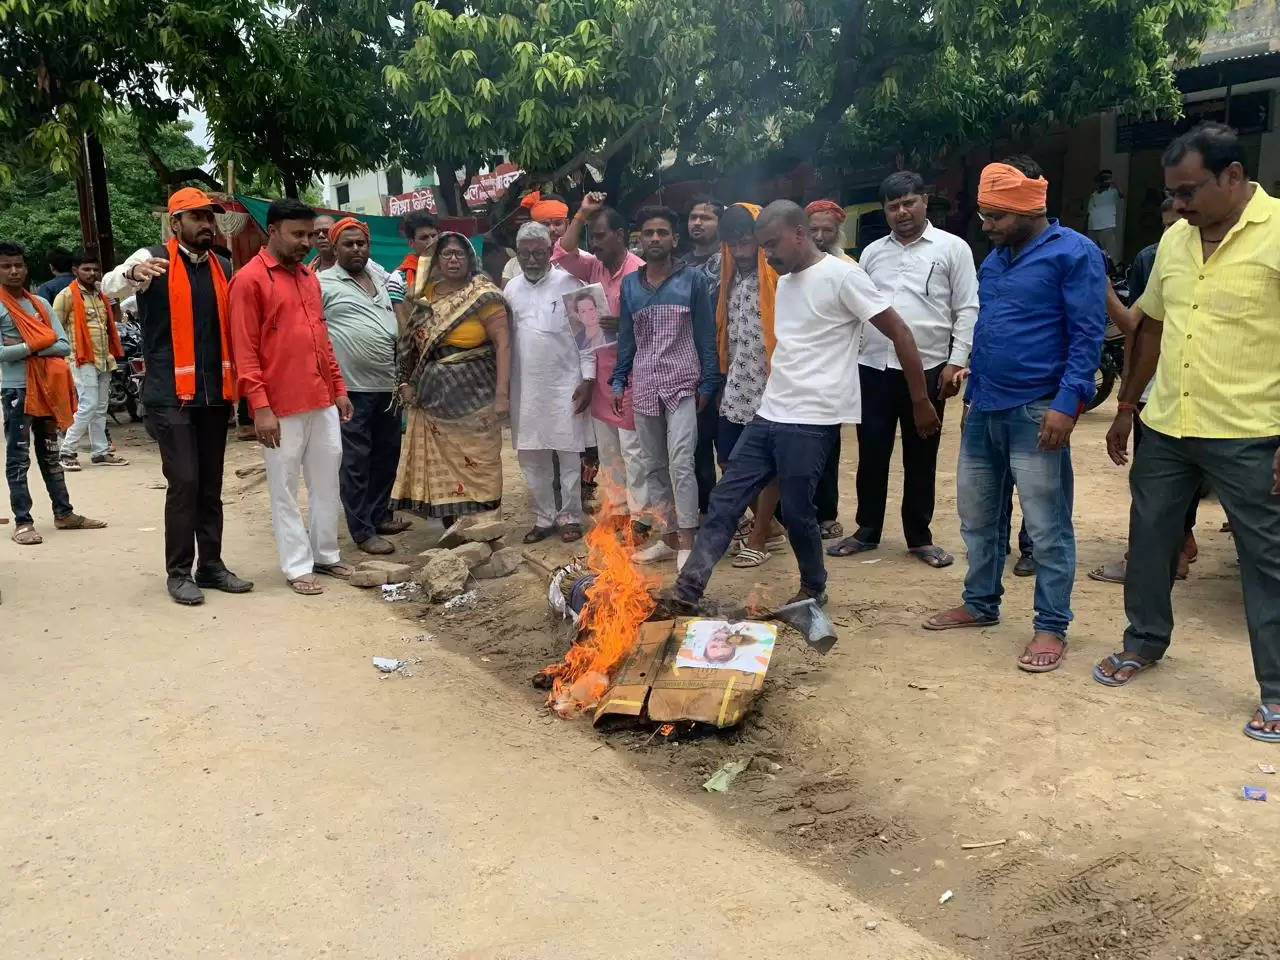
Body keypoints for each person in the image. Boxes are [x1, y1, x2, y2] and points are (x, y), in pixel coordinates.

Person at [1093, 123, 1280, 744]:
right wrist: (1125, 405)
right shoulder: (1175, 239)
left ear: (1233, 176)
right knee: (1150, 540)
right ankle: (1143, 641)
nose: (1177, 205)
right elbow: (1147, 328)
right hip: (1170, 423)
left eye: (1188, 190)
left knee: (1266, 560)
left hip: (1252, 430)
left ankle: (1277, 691)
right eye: (1171, 195)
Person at [665, 201, 940, 611]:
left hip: (813, 418)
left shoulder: (843, 276)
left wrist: (920, 399)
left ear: (800, 232)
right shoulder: (786, 281)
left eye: (773, 244)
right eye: (763, 247)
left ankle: (813, 587)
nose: (768, 255)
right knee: (726, 498)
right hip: (771, 410)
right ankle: (687, 590)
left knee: (796, 512)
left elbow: (899, 332)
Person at [923, 157, 1106, 674]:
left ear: (1025, 210)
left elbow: (1087, 336)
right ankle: (981, 603)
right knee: (978, 518)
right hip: (984, 405)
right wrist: (971, 377)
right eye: (984, 216)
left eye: (995, 217)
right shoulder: (997, 258)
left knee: (1047, 527)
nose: (987, 227)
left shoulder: (1074, 253)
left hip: (1038, 409)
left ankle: (1051, 624)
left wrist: (1067, 405)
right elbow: (991, 326)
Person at [103, 187, 253, 604]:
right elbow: (110, 284)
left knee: (210, 483)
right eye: (197, 217)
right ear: (175, 223)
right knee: (184, 480)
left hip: (214, 394)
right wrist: (133, 275)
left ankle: (211, 566)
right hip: (169, 394)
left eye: (210, 217)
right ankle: (178, 571)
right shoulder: (152, 260)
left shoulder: (223, 265)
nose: (207, 224)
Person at [829, 171, 977, 568]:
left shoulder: (953, 248)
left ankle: (919, 536)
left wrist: (956, 362)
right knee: (871, 452)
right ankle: (867, 530)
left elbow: (966, 309)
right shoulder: (873, 252)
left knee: (921, 453)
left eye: (908, 203)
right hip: (872, 367)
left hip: (928, 369)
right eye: (893, 206)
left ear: (925, 200)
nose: (901, 212)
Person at [230, 198, 355, 596]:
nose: (307, 242)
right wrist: (259, 407)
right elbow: (244, 350)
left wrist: (338, 389)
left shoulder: (308, 278)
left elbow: (322, 341)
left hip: (321, 400)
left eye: (312, 234)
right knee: (283, 487)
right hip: (279, 407)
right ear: (273, 232)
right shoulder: (249, 280)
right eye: (298, 234)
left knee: (326, 482)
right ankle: (298, 566)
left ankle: (326, 555)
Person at [1089, 197, 1195, 584]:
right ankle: (1175, 548)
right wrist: (1126, 402)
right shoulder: (1158, 256)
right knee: (1158, 480)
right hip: (1159, 389)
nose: (1175, 230)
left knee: (1169, 482)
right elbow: (1138, 326)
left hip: (1210, 394)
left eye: (1181, 220)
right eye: (1168, 224)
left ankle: (1172, 550)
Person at [611, 205, 721, 570]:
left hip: (682, 384)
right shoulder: (631, 285)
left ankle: (688, 538)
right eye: (648, 233)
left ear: (674, 239)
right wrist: (618, 381)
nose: (655, 239)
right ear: (638, 240)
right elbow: (627, 340)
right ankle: (668, 536)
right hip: (643, 385)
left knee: (681, 462)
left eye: (662, 233)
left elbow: (706, 336)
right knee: (653, 465)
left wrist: (708, 382)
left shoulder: (693, 280)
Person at [391, 232, 511, 526]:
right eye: (447, 254)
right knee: (443, 467)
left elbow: (503, 345)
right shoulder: (424, 296)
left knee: (482, 464)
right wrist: (405, 382)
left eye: (459, 253)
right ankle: (455, 533)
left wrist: (501, 395)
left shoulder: (482, 294)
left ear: (470, 258)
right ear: (436, 259)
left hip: (477, 397)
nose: (453, 259)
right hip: (433, 399)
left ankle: (486, 530)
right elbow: (409, 343)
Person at [0, 241, 106, 546]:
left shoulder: (40, 305)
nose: (14, 270)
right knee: (18, 458)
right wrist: (36, 344)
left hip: (46, 390)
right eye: (6, 266)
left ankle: (64, 513)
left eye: (18, 264)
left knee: (49, 454)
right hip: (17, 392)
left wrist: (22, 347)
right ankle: (23, 521)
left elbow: (63, 345)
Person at [555, 194, 648, 531]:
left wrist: (623, 325)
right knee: (609, 452)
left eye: (599, 236)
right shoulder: (595, 267)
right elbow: (563, 252)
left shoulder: (639, 271)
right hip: (602, 374)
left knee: (634, 451)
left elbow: (654, 326)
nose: (593, 244)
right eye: (591, 237)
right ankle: (619, 511)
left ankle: (641, 519)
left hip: (633, 375)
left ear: (620, 235)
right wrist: (581, 215)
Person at [318, 216, 409, 557]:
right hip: (351, 390)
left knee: (387, 456)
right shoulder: (322, 283)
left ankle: (379, 514)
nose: (356, 249)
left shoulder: (380, 278)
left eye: (361, 244)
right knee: (356, 461)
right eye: (348, 244)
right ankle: (362, 531)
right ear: (336, 248)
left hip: (389, 387)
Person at [705, 202, 788, 569]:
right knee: (728, 458)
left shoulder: (777, 277)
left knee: (766, 465)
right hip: (737, 385)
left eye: (744, 241)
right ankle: (771, 526)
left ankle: (759, 536)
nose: (738, 249)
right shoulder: (727, 279)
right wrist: (723, 378)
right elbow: (728, 336)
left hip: (772, 384)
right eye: (731, 243)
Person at [505, 221, 593, 543]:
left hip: (565, 385)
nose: (532, 259)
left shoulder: (572, 283)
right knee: (532, 455)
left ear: (549, 251)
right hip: (525, 390)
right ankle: (543, 518)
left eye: (538, 252)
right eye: (525, 253)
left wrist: (589, 379)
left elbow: (589, 338)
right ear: (517, 254)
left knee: (569, 453)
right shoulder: (510, 289)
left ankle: (570, 516)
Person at [802, 199, 855, 537]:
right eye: (814, 230)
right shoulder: (790, 267)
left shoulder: (848, 268)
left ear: (839, 233)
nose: (820, 236)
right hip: (796, 371)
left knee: (827, 447)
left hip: (832, 372)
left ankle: (826, 515)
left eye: (827, 230)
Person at [54, 250, 128, 469]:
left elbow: (109, 324)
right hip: (80, 357)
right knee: (88, 405)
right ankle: (67, 451)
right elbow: (55, 327)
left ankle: (100, 451)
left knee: (101, 407)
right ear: (75, 270)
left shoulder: (100, 294)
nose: (92, 273)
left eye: (95, 269)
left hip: (104, 357)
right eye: (86, 269)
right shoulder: (66, 295)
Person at [503, 193, 571, 286]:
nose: (552, 229)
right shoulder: (513, 265)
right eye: (545, 224)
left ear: (567, 224)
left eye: (558, 223)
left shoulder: (582, 261)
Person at [388, 210, 438, 331]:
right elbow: (403, 324)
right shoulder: (399, 278)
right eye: (424, 238)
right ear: (411, 243)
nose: (431, 242)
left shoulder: (452, 270)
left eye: (434, 235)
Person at [1087, 169, 1124, 263]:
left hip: (1107, 227)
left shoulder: (1113, 192)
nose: (1106, 180)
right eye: (1104, 178)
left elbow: (1122, 194)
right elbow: (1089, 212)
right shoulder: (1094, 194)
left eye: (1108, 178)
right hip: (1092, 227)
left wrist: (1114, 182)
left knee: (1110, 254)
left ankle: (1114, 273)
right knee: (1092, 252)